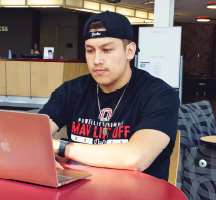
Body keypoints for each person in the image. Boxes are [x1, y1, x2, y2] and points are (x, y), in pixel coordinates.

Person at [38, 11, 180, 181]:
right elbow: (31, 137)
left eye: (107, 50)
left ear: (129, 51)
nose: (97, 60)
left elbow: (136, 157)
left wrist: (60, 147)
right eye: (90, 51)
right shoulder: (71, 91)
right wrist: (41, 151)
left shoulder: (159, 95)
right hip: (78, 190)